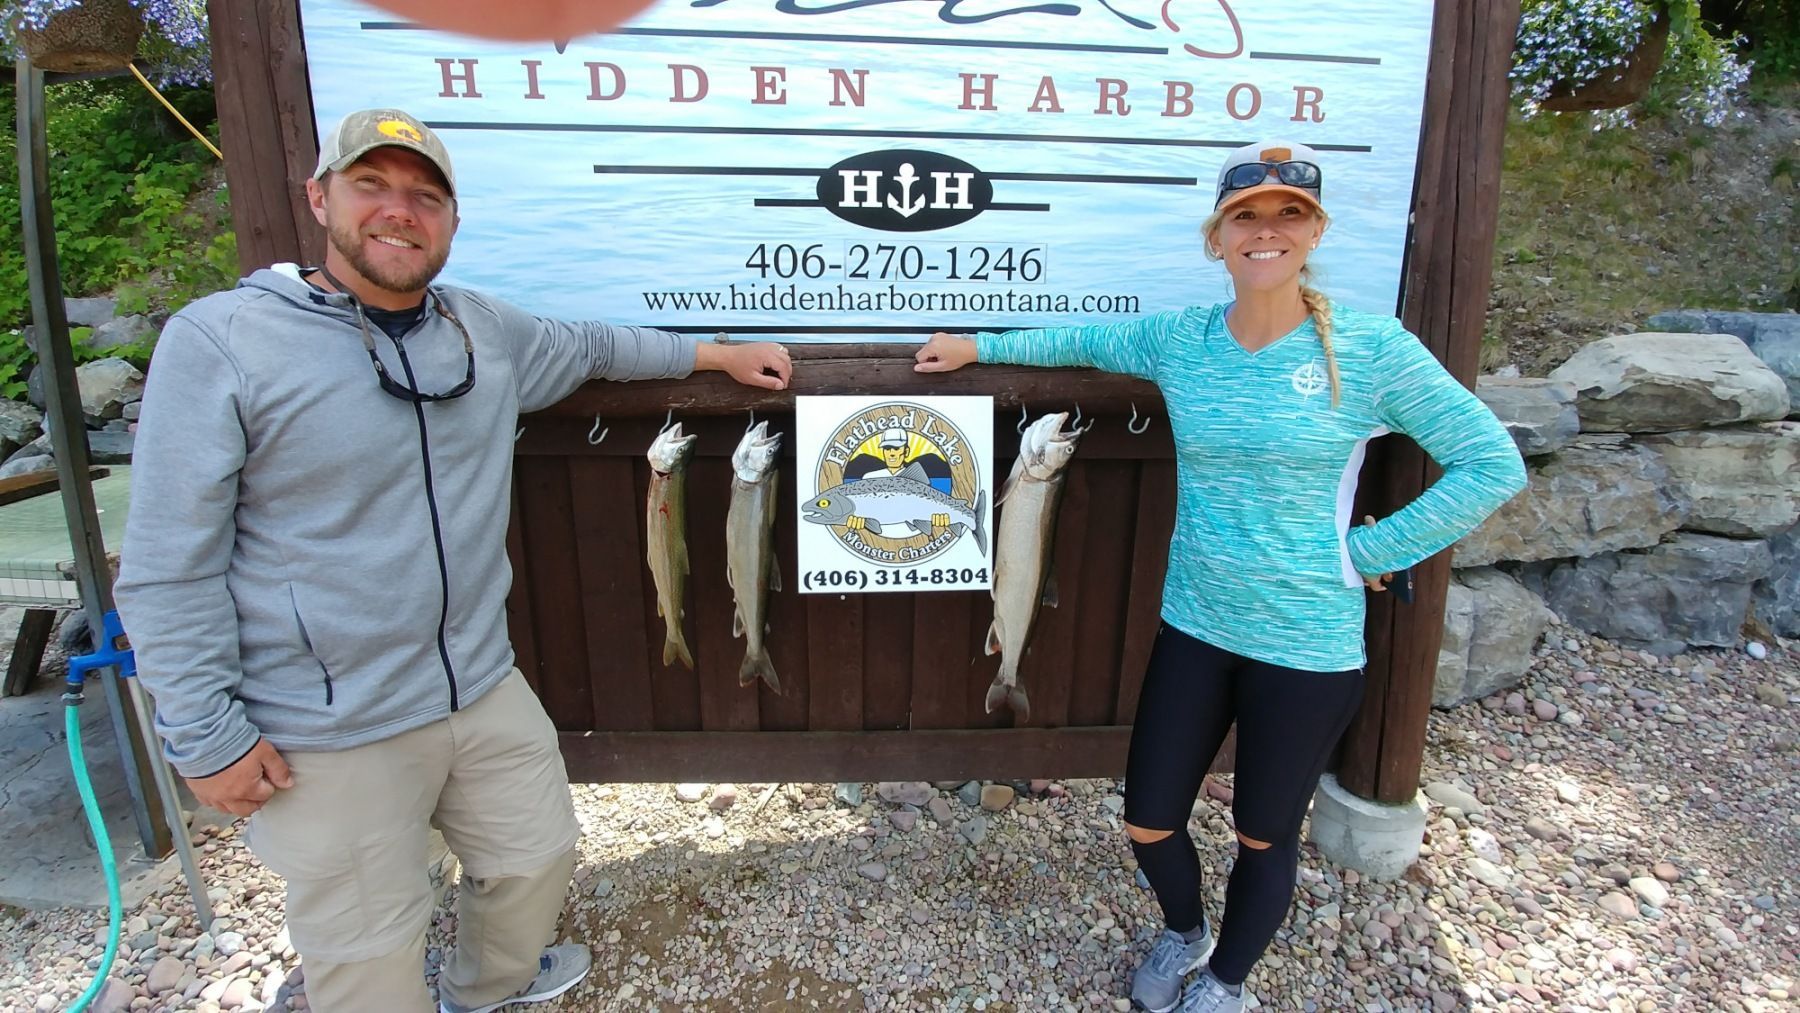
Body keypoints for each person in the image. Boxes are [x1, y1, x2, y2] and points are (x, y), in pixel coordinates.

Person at [113, 108, 792, 1013]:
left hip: (479, 683)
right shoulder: (222, 341)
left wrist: (718, 353)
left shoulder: (480, 329)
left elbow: (597, 346)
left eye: (425, 196)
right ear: (319, 199)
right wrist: (204, 735)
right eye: (372, 187)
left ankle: (487, 990)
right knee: (368, 948)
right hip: (326, 722)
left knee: (536, 855)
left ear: (453, 221)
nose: (400, 212)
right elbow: (166, 565)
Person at [913, 140, 1525, 1012]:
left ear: (1314, 233)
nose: (1266, 231)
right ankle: (1183, 933)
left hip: (1308, 643)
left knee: (1263, 835)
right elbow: (1084, 338)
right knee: (1149, 816)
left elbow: (1490, 462)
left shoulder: (1370, 347)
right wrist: (977, 342)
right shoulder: (1184, 339)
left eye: (1288, 216)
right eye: (1248, 216)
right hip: (1197, 624)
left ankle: (1229, 984)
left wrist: (1367, 553)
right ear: (1219, 236)